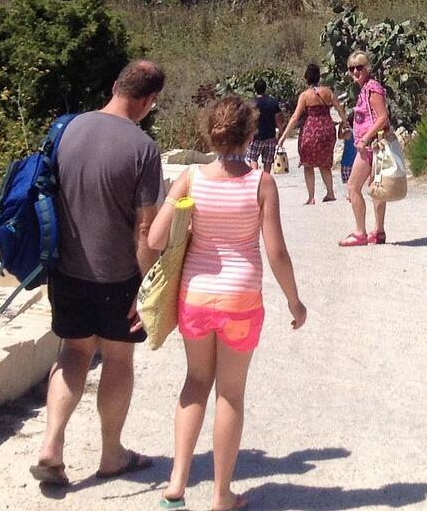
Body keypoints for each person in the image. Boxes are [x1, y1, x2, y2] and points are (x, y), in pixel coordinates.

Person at [150, 96, 306, 511]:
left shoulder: (190, 179)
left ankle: (176, 483)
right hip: (241, 300)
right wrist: (295, 302)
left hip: (195, 297)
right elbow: (276, 252)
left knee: (195, 381)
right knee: (230, 395)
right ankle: (221, 496)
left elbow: (156, 238)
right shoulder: (261, 183)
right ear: (251, 135)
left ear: (210, 133)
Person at [31, 59, 166, 487]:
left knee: (73, 353)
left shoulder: (66, 129)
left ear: (114, 85)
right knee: (119, 358)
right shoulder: (143, 148)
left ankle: (51, 446)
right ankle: (111, 455)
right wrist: (147, 288)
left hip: (66, 271)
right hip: (117, 277)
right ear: (148, 100)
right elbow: (146, 229)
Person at [339, 51, 391, 247]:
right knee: (376, 187)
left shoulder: (372, 88)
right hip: (371, 145)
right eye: (351, 68)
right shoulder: (365, 88)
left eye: (359, 67)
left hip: (369, 146)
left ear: (367, 67)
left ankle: (360, 232)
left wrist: (366, 138)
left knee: (353, 187)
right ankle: (378, 230)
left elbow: (382, 116)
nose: (355, 71)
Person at [280, 62, 343, 205]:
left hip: (310, 131)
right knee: (325, 162)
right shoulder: (328, 92)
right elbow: (339, 109)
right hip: (327, 129)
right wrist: (345, 122)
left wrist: (284, 136)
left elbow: (295, 117)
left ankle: (311, 197)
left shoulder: (305, 95)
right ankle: (330, 192)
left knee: (308, 164)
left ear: (306, 77)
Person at [249, 79, 282, 173]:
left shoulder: (252, 104)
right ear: (265, 88)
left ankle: (255, 178)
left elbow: (250, 121)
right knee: (268, 161)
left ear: (255, 89)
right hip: (270, 136)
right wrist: (281, 131)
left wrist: (249, 135)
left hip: (256, 137)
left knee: (253, 159)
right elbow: (278, 119)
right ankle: (266, 178)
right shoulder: (273, 102)